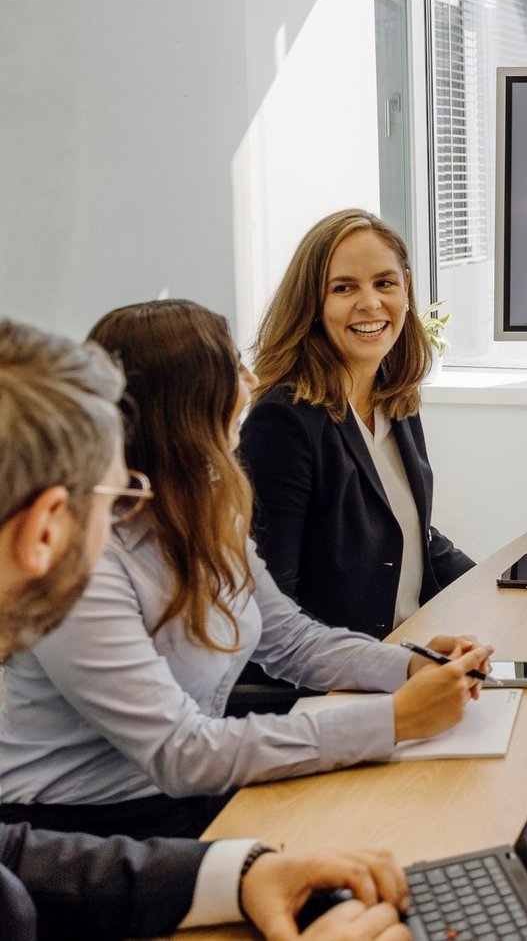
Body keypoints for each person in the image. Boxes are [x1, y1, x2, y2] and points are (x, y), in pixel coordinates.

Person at [0, 302, 490, 844]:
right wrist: (395, 721)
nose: (252, 380)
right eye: (234, 364)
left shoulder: (208, 504)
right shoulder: (89, 561)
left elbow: (293, 642)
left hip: (188, 796)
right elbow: (183, 755)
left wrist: (411, 668)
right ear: (188, 404)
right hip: (78, 831)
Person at [239, 210, 474, 638]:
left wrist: (501, 584)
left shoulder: (394, 397)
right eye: (344, 287)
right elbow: (272, 609)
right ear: (312, 303)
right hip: (340, 680)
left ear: (406, 290)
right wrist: (383, 670)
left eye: (385, 283)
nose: (370, 303)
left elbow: (411, 535)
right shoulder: (281, 422)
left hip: (412, 649)